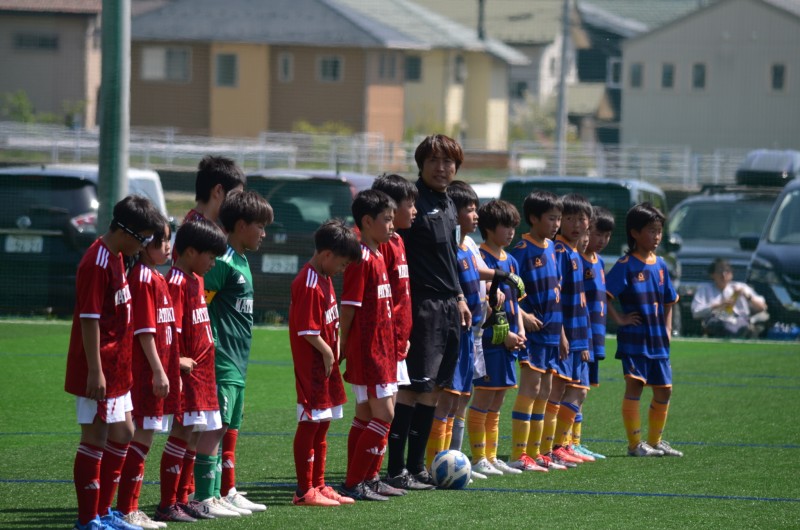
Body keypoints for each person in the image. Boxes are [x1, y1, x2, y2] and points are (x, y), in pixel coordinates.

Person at [65, 195, 164, 530]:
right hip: (100, 368)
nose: (145, 245)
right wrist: (94, 370)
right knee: (94, 438)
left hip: (118, 368)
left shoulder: (118, 257)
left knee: (124, 432)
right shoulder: (96, 262)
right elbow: (89, 319)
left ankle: (105, 511)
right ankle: (89, 519)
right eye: (144, 238)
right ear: (126, 231)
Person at [385, 134, 471, 489]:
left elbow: (449, 257)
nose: (441, 167)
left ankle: (417, 467)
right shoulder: (412, 202)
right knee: (411, 388)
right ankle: (395, 470)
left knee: (434, 389)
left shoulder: (449, 202)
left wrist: (460, 296)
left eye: (448, 161)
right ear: (421, 164)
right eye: (434, 160)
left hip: (449, 306)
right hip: (422, 306)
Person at [200, 189, 273, 513]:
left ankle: (225, 490)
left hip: (238, 361)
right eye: (260, 226)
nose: (264, 233)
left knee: (230, 427)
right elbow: (199, 305)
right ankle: (204, 497)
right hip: (222, 360)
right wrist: (209, 345)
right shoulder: (223, 260)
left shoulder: (241, 259)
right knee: (215, 427)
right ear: (241, 225)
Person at [156, 219, 233, 523]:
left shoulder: (195, 279)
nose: (213, 263)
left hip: (202, 375)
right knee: (181, 433)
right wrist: (176, 362)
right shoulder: (175, 282)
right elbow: (169, 330)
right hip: (186, 376)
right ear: (190, 252)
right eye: (210, 257)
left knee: (192, 435)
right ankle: (167, 504)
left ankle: (181, 499)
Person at [289, 220, 361, 507]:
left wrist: (337, 344)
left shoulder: (325, 277)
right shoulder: (308, 282)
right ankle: (304, 490)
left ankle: (319, 484)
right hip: (313, 368)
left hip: (325, 367)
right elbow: (307, 330)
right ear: (327, 254)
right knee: (310, 424)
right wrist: (328, 352)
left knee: (322, 426)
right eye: (342, 264)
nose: (342, 270)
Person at [606, 203, 684, 458]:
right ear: (635, 233)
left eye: (659, 231)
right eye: (651, 230)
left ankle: (655, 441)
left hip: (658, 340)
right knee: (635, 387)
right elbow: (604, 295)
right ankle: (634, 445)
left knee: (664, 389)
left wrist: (668, 328)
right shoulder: (626, 264)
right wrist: (620, 319)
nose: (657, 236)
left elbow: (669, 300)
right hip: (635, 340)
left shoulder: (660, 264)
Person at [116, 218, 180, 530]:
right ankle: (127, 509)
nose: (167, 247)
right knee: (140, 440)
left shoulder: (156, 276)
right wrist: (158, 370)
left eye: (168, 240)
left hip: (155, 372)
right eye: (161, 241)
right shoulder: (142, 278)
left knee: (144, 440)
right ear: (144, 244)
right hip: (143, 374)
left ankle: (130, 508)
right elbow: (144, 332)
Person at [339, 190, 398, 501]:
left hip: (382, 349)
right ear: (366, 221)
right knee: (384, 414)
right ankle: (354, 483)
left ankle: (368, 478)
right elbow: (348, 309)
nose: (391, 225)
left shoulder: (377, 254)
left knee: (365, 415)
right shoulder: (361, 258)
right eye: (386, 220)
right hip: (369, 351)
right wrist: (342, 345)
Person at [424, 181, 485, 475]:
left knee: (459, 398)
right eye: (470, 210)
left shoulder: (468, 247)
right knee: (446, 399)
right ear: (453, 214)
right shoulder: (450, 251)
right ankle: (433, 465)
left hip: (469, 334)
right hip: (453, 332)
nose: (476, 216)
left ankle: (454, 464)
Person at [507, 190, 566, 472]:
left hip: (552, 333)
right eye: (551, 218)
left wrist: (562, 334)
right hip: (532, 334)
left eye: (558, 219)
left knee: (545, 391)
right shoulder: (521, 251)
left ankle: (537, 452)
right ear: (533, 218)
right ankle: (519, 454)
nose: (556, 224)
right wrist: (523, 315)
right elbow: (505, 292)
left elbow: (557, 292)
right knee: (530, 389)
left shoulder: (553, 248)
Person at [468, 199, 526, 477]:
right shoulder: (481, 257)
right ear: (489, 228)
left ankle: (491, 457)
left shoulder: (511, 260)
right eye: (505, 226)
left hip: (511, 340)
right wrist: (504, 336)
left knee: (498, 401)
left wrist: (521, 330)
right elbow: (486, 302)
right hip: (491, 340)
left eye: (513, 226)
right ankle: (478, 457)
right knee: (483, 399)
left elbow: (516, 302)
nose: (511, 232)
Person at [369, 174, 420, 492]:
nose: (414, 210)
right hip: (383, 342)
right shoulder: (380, 246)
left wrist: (404, 335)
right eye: (409, 204)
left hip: (399, 341)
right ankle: (370, 477)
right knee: (379, 411)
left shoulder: (398, 240)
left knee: (384, 411)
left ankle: (376, 475)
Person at [541, 194, 595, 468]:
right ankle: (550, 447)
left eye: (580, 219)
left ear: (589, 222)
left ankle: (561, 445)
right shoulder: (560, 251)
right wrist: (562, 334)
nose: (575, 224)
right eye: (569, 219)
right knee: (558, 391)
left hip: (578, 336)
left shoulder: (575, 253)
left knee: (577, 392)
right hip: (565, 336)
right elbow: (556, 298)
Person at [572, 206, 616, 461]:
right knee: (576, 390)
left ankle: (575, 442)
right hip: (580, 337)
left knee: (583, 392)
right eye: (597, 234)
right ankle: (565, 444)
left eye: (607, 236)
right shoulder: (577, 260)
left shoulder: (599, 262)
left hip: (594, 339)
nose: (601, 240)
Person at [691, 258, 768, 338]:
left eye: (727, 271)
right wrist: (718, 305)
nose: (723, 275)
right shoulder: (705, 289)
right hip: (716, 320)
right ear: (712, 274)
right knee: (721, 324)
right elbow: (696, 313)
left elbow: (763, 307)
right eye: (720, 271)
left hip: (739, 319)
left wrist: (747, 296)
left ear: (731, 274)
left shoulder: (741, 287)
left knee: (739, 325)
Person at [183, 155, 246, 225]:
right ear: (218, 191)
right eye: (236, 196)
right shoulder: (197, 228)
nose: (238, 202)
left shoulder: (195, 222)